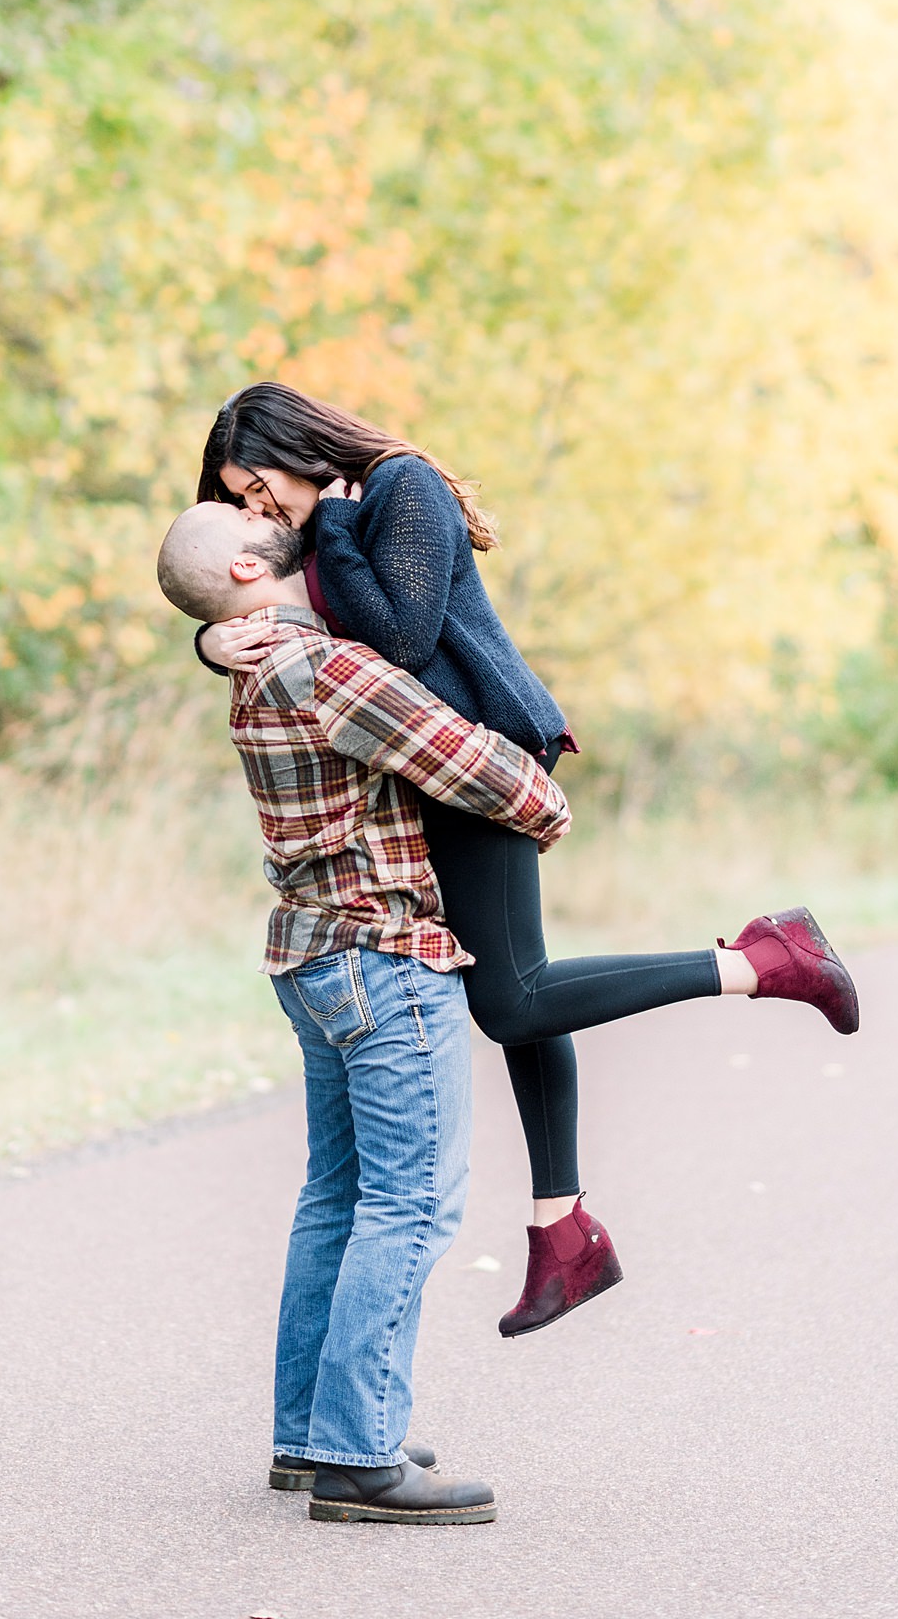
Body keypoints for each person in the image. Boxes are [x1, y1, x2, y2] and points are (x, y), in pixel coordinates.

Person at [194, 381, 860, 1337]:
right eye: (244, 504)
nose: (259, 512)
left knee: (511, 997)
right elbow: (256, 597)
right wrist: (215, 640)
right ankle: (563, 1227)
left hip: (488, 748)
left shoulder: (399, 488)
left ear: (297, 449)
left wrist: (334, 529)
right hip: (432, 756)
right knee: (522, 986)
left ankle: (762, 961)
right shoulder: (320, 518)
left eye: (258, 488)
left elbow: (397, 641)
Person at [155, 495, 578, 1525]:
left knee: (338, 1199)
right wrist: (544, 797)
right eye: (251, 518)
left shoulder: (256, 665)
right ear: (249, 576)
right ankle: (358, 1456)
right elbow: (498, 781)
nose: (269, 512)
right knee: (411, 1203)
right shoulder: (333, 670)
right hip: (386, 955)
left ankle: (311, 1434)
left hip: (313, 955)